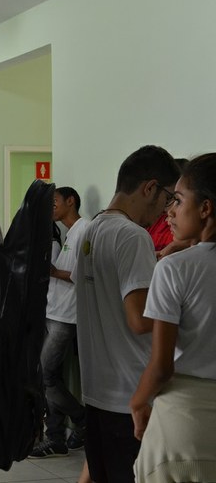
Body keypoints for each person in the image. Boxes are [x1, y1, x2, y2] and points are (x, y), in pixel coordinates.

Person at [72, 145, 179, 483]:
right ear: (150, 187)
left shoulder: (91, 230)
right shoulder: (133, 236)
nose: (166, 210)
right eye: (167, 198)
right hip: (128, 395)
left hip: (96, 389)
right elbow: (139, 319)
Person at [130, 153, 216, 483]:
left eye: (178, 201)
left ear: (205, 209)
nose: (171, 211)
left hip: (186, 422)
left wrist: (138, 402)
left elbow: (162, 366)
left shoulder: (174, 269)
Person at [30, 186, 89, 458]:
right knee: (50, 375)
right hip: (54, 311)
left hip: (66, 315)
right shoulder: (68, 233)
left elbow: (81, 274)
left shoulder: (84, 229)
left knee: (45, 374)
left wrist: (51, 270)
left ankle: (82, 419)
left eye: (54, 202)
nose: (50, 207)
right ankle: (56, 438)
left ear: (70, 201)